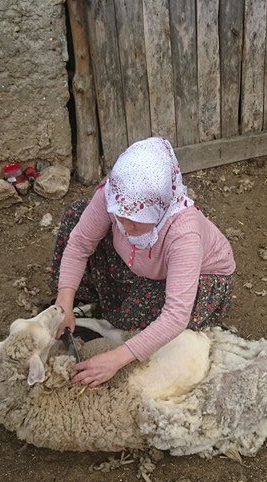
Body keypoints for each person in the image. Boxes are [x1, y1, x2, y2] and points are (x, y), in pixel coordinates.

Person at [52, 137, 235, 388]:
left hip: (201, 278)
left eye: (136, 220)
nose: (125, 227)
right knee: (77, 215)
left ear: (159, 208)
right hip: (143, 263)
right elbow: (81, 241)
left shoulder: (184, 234)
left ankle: (112, 316)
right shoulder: (115, 194)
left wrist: (116, 359)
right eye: (120, 216)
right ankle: (83, 305)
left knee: (130, 320)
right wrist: (64, 302)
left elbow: (175, 315)